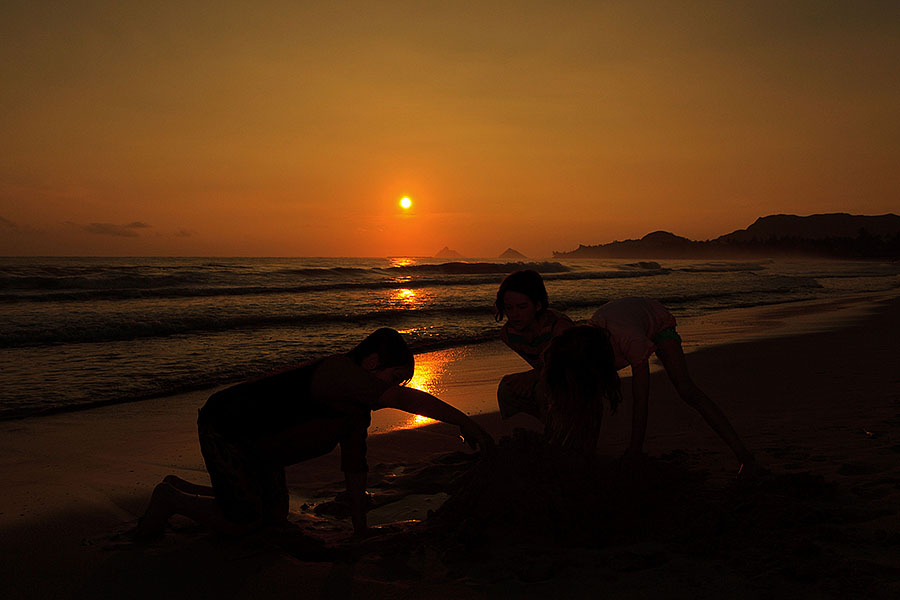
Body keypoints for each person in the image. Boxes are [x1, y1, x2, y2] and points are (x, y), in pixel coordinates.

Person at [135, 328, 494, 540]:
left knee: (273, 519)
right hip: (228, 426)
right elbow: (400, 397)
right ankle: (170, 497)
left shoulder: (356, 412)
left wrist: (360, 531)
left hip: (264, 451)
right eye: (393, 377)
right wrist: (466, 423)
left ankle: (187, 488)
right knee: (245, 522)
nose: (394, 388)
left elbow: (354, 469)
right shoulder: (339, 371)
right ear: (371, 364)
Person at [543, 297, 757, 473]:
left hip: (657, 322)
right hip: (620, 323)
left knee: (687, 390)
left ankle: (744, 457)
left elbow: (641, 400)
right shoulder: (583, 341)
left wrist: (635, 450)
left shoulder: (632, 343)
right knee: (585, 394)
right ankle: (579, 450)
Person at [494, 269, 573, 420]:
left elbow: (568, 365)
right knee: (507, 387)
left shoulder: (559, 326)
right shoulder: (509, 335)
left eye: (522, 307)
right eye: (509, 308)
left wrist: (536, 376)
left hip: (579, 378)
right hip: (548, 376)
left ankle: (559, 433)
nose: (515, 314)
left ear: (537, 305)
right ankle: (519, 431)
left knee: (543, 389)